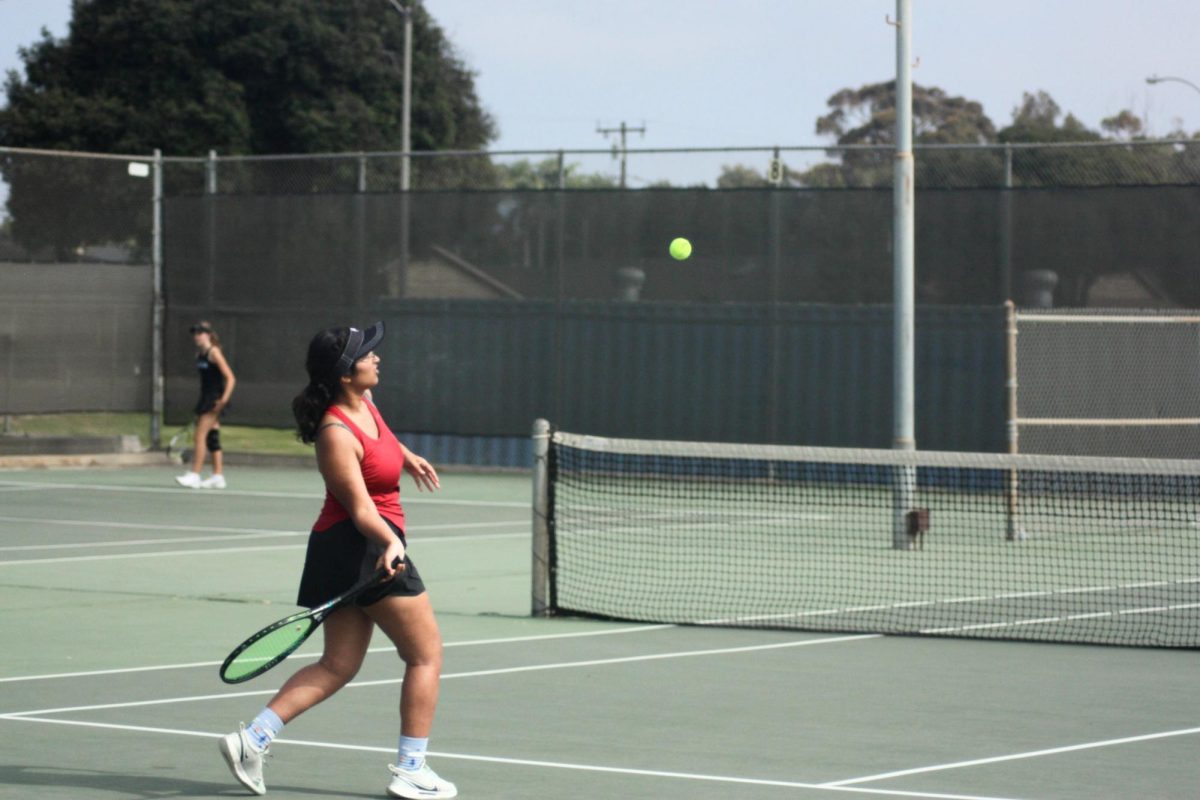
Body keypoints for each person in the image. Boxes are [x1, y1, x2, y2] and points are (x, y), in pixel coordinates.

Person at [218, 321, 456, 799]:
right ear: (347, 373)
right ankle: (411, 770)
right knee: (425, 655)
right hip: (362, 546)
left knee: (338, 664)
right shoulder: (334, 432)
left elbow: (379, 442)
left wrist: (405, 456)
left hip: (347, 549)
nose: (377, 358)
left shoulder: (364, 403)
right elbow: (361, 509)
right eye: (368, 355)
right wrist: (391, 543)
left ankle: (252, 740)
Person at [175, 321, 236, 489]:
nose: (197, 336)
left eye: (200, 333)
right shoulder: (199, 355)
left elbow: (230, 378)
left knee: (199, 436)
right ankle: (218, 476)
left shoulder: (214, 352)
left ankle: (194, 475)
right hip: (205, 398)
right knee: (212, 438)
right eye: (195, 333)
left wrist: (223, 400)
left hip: (214, 400)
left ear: (208, 334)